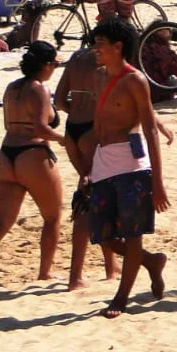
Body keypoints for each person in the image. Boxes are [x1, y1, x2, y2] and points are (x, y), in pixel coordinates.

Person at [87, 18, 168, 317]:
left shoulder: (135, 80)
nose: (96, 50)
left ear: (118, 47)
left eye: (101, 45)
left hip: (132, 164)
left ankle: (121, 297)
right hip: (102, 161)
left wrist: (158, 182)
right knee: (103, 235)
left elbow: (150, 130)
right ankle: (151, 262)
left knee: (133, 233)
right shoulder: (98, 77)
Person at [0, 42, 64, 288]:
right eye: (55, 63)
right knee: (52, 217)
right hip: (32, 153)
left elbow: (10, 124)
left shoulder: (12, 87)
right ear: (45, 65)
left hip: (7, 154)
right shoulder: (39, 89)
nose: (55, 67)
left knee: (2, 221)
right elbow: (41, 128)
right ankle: (45, 272)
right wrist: (64, 139)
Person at [54, 45, 117, 290]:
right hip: (91, 128)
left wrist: (78, 109)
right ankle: (75, 277)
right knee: (92, 202)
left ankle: (111, 266)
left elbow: (59, 100)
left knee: (91, 196)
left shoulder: (76, 57)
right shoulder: (103, 59)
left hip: (72, 129)